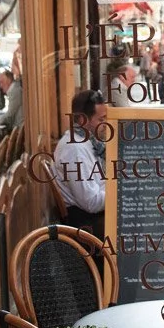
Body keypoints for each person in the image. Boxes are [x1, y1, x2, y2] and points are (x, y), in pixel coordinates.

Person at [53, 89, 107, 240]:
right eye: (102, 120)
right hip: (85, 227)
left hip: (91, 218)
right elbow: (91, 202)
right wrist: (119, 194)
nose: (107, 124)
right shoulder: (75, 149)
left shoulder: (89, 142)